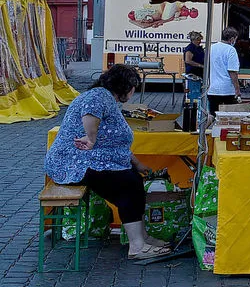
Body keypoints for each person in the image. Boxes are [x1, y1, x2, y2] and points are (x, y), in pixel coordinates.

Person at [43, 64, 171, 260]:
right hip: (73, 164)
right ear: (126, 87)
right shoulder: (98, 96)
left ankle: (141, 238)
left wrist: (137, 164)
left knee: (133, 179)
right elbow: (90, 115)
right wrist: (91, 138)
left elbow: (115, 144)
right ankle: (137, 246)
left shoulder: (105, 98)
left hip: (87, 161)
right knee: (128, 184)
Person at [207, 28, 241, 114]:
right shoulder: (231, 50)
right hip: (227, 90)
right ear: (232, 39)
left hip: (213, 89)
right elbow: (232, 72)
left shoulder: (212, 47)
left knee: (212, 114)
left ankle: (202, 127)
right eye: (235, 39)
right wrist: (237, 89)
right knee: (229, 116)